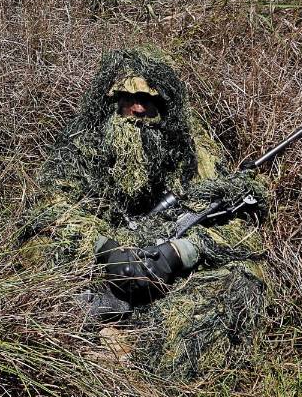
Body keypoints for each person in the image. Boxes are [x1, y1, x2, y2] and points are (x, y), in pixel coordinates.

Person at [21, 49, 268, 377]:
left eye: (147, 100)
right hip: (101, 269)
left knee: (243, 277)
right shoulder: (84, 147)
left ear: (163, 107)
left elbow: (240, 228)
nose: (137, 109)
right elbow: (49, 211)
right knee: (38, 255)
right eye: (128, 99)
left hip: (168, 276)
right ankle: (100, 330)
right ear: (113, 102)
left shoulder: (193, 156)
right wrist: (106, 251)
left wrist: (179, 253)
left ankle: (138, 349)